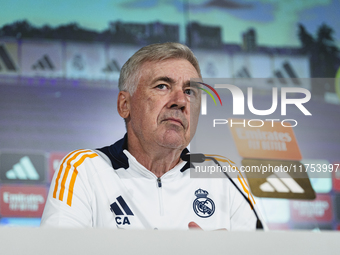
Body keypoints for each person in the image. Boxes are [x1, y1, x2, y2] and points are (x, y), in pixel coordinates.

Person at [41, 42, 258, 230]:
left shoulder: (225, 176)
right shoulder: (84, 170)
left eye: (190, 92)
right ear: (125, 105)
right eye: (162, 86)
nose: (180, 101)